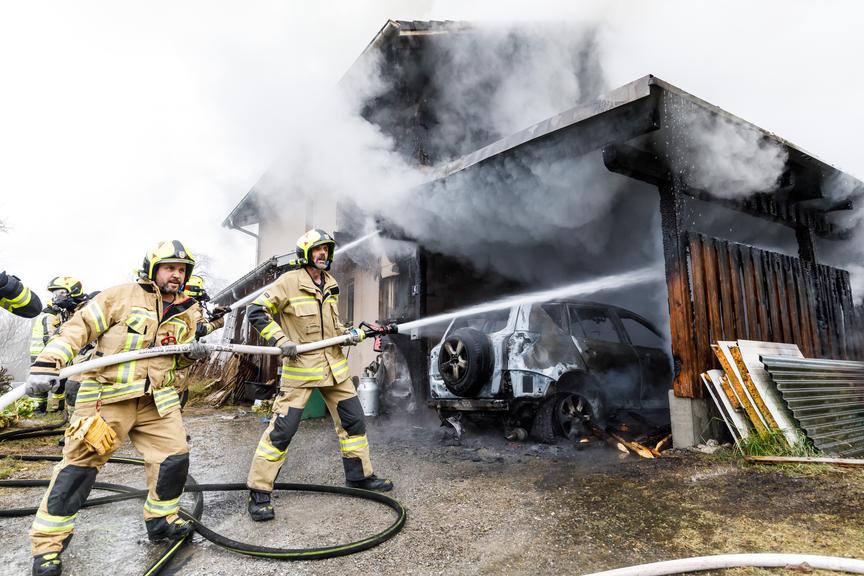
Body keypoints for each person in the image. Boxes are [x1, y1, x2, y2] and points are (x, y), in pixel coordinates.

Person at [24, 241, 208, 576]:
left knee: (174, 459)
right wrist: (49, 362)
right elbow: (77, 329)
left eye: (182, 270)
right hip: (107, 399)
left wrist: (190, 354)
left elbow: (174, 358)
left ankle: (161, 520)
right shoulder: (121, 296)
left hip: (157, 401)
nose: (176, 275)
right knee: (79, 470)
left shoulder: (188, 310)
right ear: (152, 270)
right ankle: (48, 546)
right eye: (169, 268)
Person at [244, 228, 392, 522]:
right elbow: (256, 311)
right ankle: (259, 493)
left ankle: (359, 477)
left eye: (326, 249)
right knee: (282, 431)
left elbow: (331, 327)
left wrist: (349, 333)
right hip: (301, 370)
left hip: (334, 368)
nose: (323, 253)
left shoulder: (331, 284)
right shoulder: (289, 282)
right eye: (318, 249)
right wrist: (280, 340)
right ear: (305, 253)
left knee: (353, 422)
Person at [29, 277, 88, 414]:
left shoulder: (86, 310)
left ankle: (67, 411)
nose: (57, 297)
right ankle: (57, 411)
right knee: (56, 383)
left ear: (74, 291)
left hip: (82, 357)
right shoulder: (62, 313)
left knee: (67, 384)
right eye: (55, 294)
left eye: (61, 293)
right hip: (56, 355)